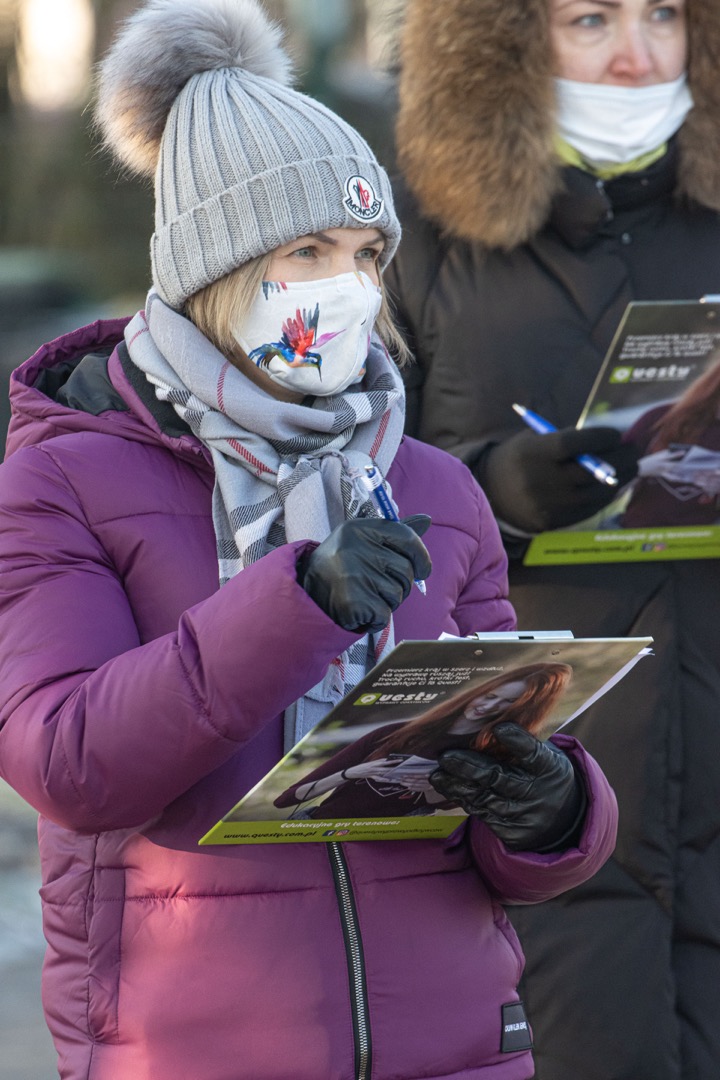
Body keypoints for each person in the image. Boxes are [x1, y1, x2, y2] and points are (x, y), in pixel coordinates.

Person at [0, 2, 618, 1078]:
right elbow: (67, 761)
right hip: (197, 1048)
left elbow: (509, 839)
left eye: (367, 252)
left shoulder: (431, 486)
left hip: (458, 1049)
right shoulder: (66, 474)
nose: (348, 286)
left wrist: (553, 806)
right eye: (309, 249)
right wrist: (301, 604)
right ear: (217, 267)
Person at [385, 1, 720, 1079]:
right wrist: (495, 488)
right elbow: (343, 500)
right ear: (503, 41)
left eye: (665, 14)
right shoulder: (416, 241)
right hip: (535, 803)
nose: (637, 54)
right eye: (591, 18)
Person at [277, 663, 574, 818]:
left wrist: (434, 788)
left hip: (400, 851)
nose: (489, 707)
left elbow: (452, 819)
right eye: (491, 695)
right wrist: (352, 773)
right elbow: (287, 799)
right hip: (319, 825)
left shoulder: (489, 756)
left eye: (506, 705)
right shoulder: (396, 732)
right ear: (478, 691)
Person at [621, 356, 720, 526]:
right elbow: (606, 476)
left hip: (701, 537)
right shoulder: (661, 417)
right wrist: (641, 468)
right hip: (633, 530)